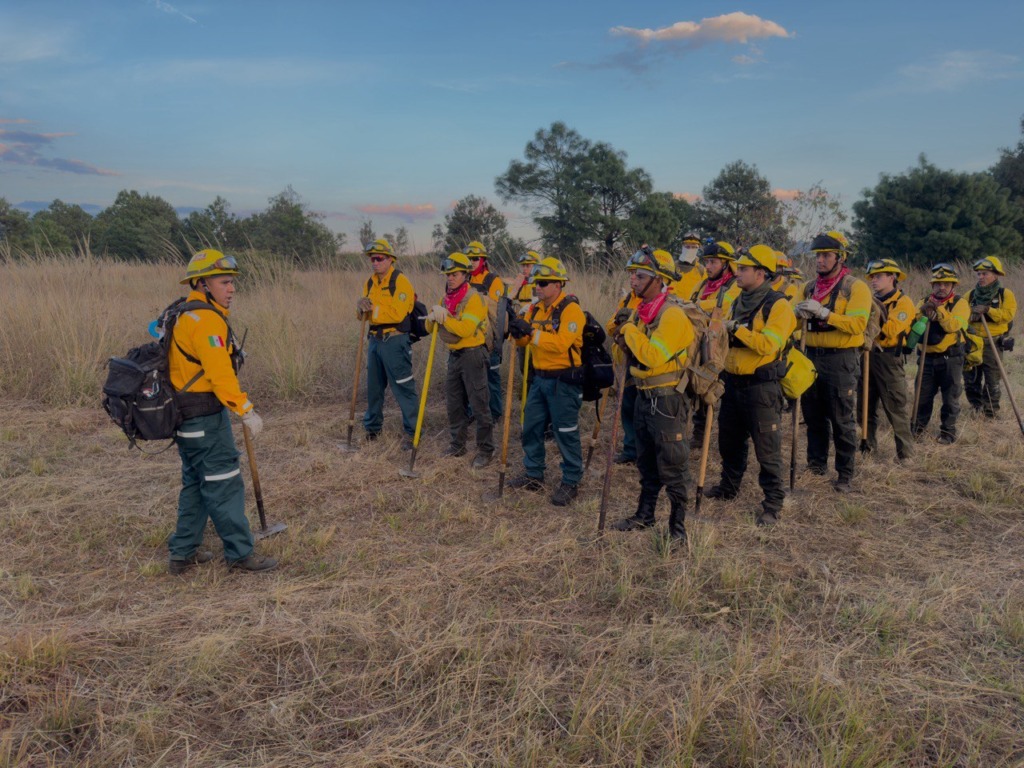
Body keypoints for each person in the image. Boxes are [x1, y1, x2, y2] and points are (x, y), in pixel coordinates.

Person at [167, 249, 277, 573]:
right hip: (205, 420)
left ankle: (182, 553)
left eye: (232, 283)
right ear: (202, 284)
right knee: (225, 482)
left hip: (184, 420)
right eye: (224, 282)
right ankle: (241, 554)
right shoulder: (206, 321)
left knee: (196, 484)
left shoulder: (184, 314)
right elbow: (219, 375)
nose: (231, 289)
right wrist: (245, 410)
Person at [705, 245, 796, 526]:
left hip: (761, 387)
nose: (737, 273)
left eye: (743, 269)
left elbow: (769, 344)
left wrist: (737, 329)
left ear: (761, 272)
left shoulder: (778, 305)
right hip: (733, 383)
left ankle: (772, 503)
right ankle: (728, 487)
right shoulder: (737, 300)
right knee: (729, 442)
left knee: (767, 448)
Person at [609, 248, 694, 544]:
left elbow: (653, 356)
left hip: (667, 399)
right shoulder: (642, 312)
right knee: (646, 462)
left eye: (641, 276)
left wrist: (630, 329)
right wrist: (622, 336)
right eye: (632, 274)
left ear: (658, 280)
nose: (633, 280)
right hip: (643, 395)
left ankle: (678, 530)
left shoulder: (671, 314)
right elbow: (627, 354)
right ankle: (644, 516)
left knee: (673, 463)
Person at [793, 231, 871, 493]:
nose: (820, 261)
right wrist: (796, 314)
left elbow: (858, 324)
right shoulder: (807, 287)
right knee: (813, 415)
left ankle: (845, 474)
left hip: (841, 360)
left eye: (826, 255)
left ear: (840, 257)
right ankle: (816, 465)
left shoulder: (855, 287)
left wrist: (826, 313)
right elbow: (792, 324)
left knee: (841, 419)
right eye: (818, 256)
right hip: (810, 357)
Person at [507, 257, 586, 506]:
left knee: (565, 432)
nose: (537, 287)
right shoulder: (534, 308)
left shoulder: (570, 310)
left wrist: (531, 333)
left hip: (563, 381)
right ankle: (533, 474)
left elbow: (561, 343)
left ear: (558, 284)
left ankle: (571, 480)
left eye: (542, 282)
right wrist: (518, 333)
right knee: (530, 427)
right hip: (539, 379)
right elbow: (526, 341)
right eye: (535, 282)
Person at [426, 253, 495, 469]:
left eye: (454, 274)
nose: (450, 278)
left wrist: (445, 317)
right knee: (454, 403)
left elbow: (465, 329)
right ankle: (457, 444)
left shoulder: (474, 298)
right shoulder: (444, 299)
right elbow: (431, 330)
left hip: (473, 355)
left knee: (479, 404)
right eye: (448, 274)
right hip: (454, 356)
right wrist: (431, 318)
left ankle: (485, 450)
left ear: (465, 274)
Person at [358, 239, 419, 447]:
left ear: (390, 259)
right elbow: (363, 316)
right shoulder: (370, 282)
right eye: (372, 259)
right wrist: (360, 309)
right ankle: (372, 428)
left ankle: (413, 433)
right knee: (373, 388)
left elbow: (397, 313)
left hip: (394, 341)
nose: (374, 262)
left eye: (378, 258)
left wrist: (371, 311)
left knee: (403, 387)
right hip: (374, 341)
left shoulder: (400, 282)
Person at [864, 258, 915, 460]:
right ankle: (867, 450)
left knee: (896, 408)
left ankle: (906, 455)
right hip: (866, 356)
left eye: (878, 277)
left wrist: (869, 322)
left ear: (892, 277)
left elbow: (890, 330)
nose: (873, 281)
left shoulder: (904, 302)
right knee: (864, 407)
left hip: (889, 360)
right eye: (872, 277)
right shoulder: (867, 300)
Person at [913, 263, 970, 444]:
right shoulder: (922, 302)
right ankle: (916, 429)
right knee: (922, 396)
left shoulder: (960, 303)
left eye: (946, 283)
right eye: (937, 283)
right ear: (932, 285)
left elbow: (954, 325)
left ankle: (947, 433)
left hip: (950, 358)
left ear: (953, 286)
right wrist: (921, 314)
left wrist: (939, 312)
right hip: (926, 359)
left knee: (950, 398)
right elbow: (913, 326)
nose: (941, 287)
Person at [690, 240, 739, 446]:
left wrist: (697, 306)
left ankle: (724, 437)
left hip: (723, 346)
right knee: (700, 383)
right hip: (702, 341)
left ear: (726, 264)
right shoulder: (702, 284)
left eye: (713, 262)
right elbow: (688, 301)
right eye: (707, 262)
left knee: (720, 390)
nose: (708, 267)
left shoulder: (735, 284)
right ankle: (699, 435)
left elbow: (725, 305)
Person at [965, 256, 1017, 418]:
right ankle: (976, 406)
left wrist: (988, 310)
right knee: (970, 378)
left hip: (993, 342)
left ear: (995, 275)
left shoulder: (1004, 294)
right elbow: (960, 315)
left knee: (992, 379)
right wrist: (971, 316)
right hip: (973, 342)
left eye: (984, 274)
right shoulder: (970, 294)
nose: (980, 277)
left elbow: (1008, 315)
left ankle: (990, 412)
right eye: (978, 274)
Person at [465, 240, 507, 421]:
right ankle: (472, 411)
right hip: (468, 335)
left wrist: (496, 340)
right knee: (470, 377)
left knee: (491, 377)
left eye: (475, 258)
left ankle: (495, 413)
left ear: (483, 260)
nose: (472, 261)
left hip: (488, 336)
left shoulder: (493, 280)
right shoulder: (463, 279)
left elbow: (496, 312)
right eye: (469, 258)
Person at [606, 285, 642, 464]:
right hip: (627, 359)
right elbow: (610, 327)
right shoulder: (627, 299)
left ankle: (645, 451)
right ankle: (630, 449)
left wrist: (632, 325)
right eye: (632, 273)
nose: (633, 278)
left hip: (647, 361)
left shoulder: (661, 300)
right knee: (627, 405)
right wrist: (620, 322)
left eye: (638, 274)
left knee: (644, 409)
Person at [671, 233, 707, 301]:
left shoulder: (702, 270)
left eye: (693, 247)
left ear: (698, 248)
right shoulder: (672, 267)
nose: (690, 249)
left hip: (691, 309)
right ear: (682, 247)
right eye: (687, 247)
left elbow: (705, 292)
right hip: (672, 307)